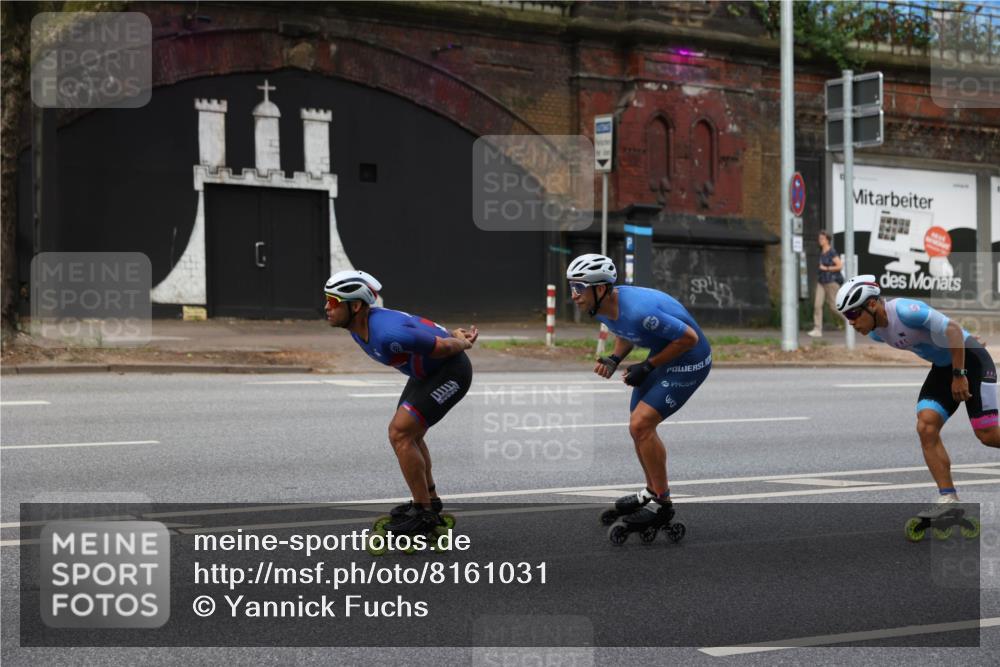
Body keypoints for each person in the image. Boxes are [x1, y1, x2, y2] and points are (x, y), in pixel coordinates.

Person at [567, 253, 712, 539]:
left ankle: (663, 504)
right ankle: (652, 490)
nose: (574, 295)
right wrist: (615, 358)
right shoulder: (603, 307)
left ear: (600, 288)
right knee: (638, 428)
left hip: (690, 359)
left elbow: (689, 339)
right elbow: (625, 331)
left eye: (579, 287)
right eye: (572, 286)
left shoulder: (640, 310)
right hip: (664, 355)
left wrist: (647, 366)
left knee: (641, 425)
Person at [324, 270, 478, 535]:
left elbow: (441, 347)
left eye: (333, 301)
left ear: (356, 306)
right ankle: (429, 502)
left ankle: (423, 513)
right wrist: (449, 333)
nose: (327, 307)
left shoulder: (388, 334)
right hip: (426, 374)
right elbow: (421, 328)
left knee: (401, 433)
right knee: (409, 435)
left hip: (452, 371)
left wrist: (460, 342)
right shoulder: (357, 326)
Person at [835, 275, 999, 508]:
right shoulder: (875, 332)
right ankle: (949, 499)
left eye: (853, 314)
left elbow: (952, 329)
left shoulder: (905, 311)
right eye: (846, 316)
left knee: (988, 435)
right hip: (945, 367)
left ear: (872, 304)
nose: (851, 322)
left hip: (971, 362)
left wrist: (959, 373)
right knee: (926, 425)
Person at [808, 230, 844, 337]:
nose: (820, 240)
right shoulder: (821, 252)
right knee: (817, 305)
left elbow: (839, 266)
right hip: (821, 282)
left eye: (822, 239)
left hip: (831, 282)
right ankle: (817, 329)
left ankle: (851, 320)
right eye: (819, 238)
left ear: (827, 240)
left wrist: (826, 268)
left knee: (834, 307)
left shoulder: (831, 252)